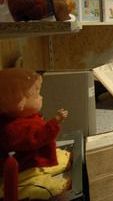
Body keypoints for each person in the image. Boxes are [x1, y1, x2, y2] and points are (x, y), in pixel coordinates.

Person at [0, 68, 71, 199]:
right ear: (20, 102)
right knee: (40, 186)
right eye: (37, 95)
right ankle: (56, 187)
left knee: (62, 158)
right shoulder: (13, 129)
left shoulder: (22, 118)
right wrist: (55, 122)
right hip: (27, 167)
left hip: (35, 158)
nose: (41, 97)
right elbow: (38, 137)